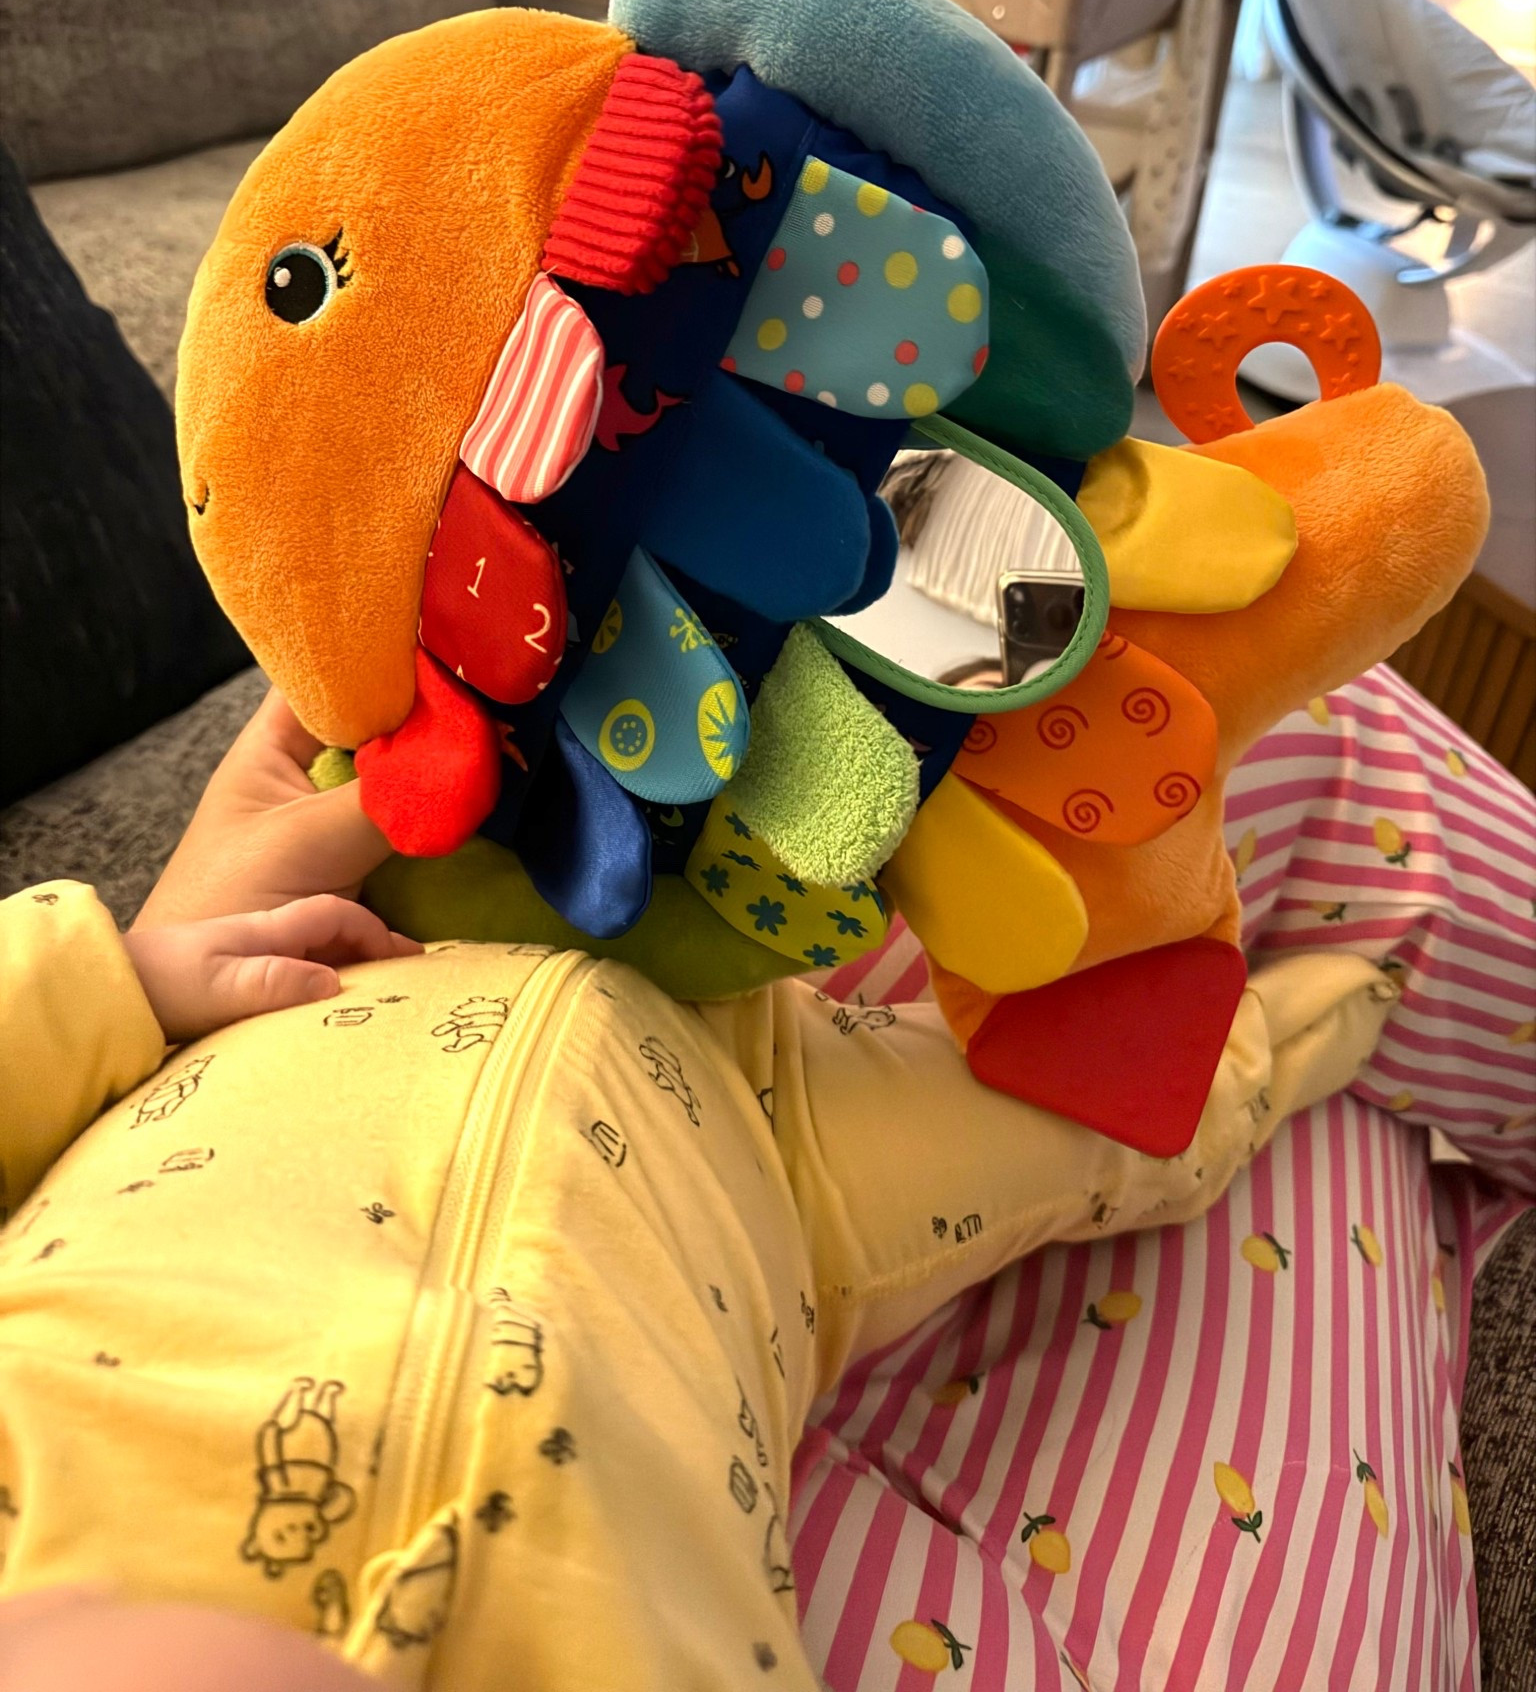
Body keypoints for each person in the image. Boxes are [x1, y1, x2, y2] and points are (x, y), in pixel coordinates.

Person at [0, 684, 1405, 1691]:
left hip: (301, 998)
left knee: (449, 668)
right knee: (1116, 1122)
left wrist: (125, 969)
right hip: (774, 1183)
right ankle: (1273, 1054)